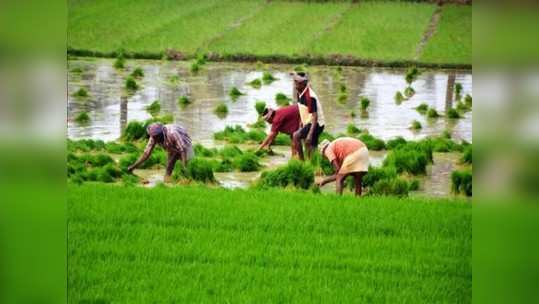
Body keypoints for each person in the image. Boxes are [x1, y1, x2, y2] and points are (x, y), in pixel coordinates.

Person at [127, 123, 193, 182]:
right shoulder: (154, 137)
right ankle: (167, 181)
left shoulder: (173, 133)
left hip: (185, 144)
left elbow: (182, 149)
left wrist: (184, 167)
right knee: (169, 165)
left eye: (157, 137)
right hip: (170, 145)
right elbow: (146, 154)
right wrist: (133, 167)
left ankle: (189, 179)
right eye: (153, 137)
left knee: (189, 165)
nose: (155, 140)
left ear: (161, 133)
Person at [291, 72, 326, 160]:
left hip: (317, 124)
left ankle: (302, 162)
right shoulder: (299, 92)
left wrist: (310, 134)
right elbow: (302, 110)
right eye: (295, 81)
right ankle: (312, 164)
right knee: (310, 148)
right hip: (309, 122)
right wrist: (300, 126)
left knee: (296, 136)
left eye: (297, 83)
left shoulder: (310, 97)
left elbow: (315, 116)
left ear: (303, 84)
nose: (295, 84)